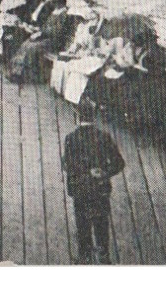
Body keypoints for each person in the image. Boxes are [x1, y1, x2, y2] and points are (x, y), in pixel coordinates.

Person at [61, 108, 126, 264]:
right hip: (100, 188)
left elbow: (68, 165)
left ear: (77, 116)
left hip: (80, 189)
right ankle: (103, 255)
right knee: (101, 222)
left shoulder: (71, 138)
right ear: (94, 117)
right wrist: (103, 173)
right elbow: (119, 163)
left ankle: (85, 256)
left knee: (82, 223)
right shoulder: (104, 137)